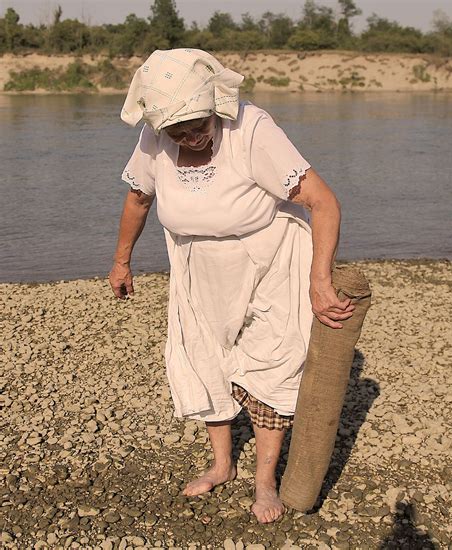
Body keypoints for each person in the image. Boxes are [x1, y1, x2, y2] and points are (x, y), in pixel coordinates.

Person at [109, 48, 354, 524]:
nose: (190, 137)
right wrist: (121, 261)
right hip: (196, 263)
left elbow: (323, 203)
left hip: (269, 259)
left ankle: (265, 483)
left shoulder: (252, 129)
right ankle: (222, 464)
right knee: (203, 360)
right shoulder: (155, 137)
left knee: (271, 364)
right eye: (177, 131)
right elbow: (138, 200)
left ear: (215, 106)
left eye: (198, 125)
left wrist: (319, 280)